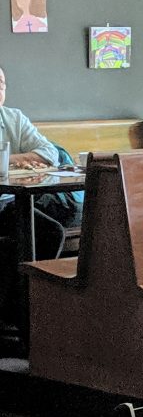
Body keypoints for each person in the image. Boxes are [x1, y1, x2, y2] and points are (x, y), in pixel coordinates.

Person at [0, 65, 69, 321]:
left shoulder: (13, 118)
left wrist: (5, 159)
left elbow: (48, 153)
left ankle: (29, 313)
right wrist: (22, 160)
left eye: (2, 83)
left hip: (9, 202)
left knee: (49, 232)